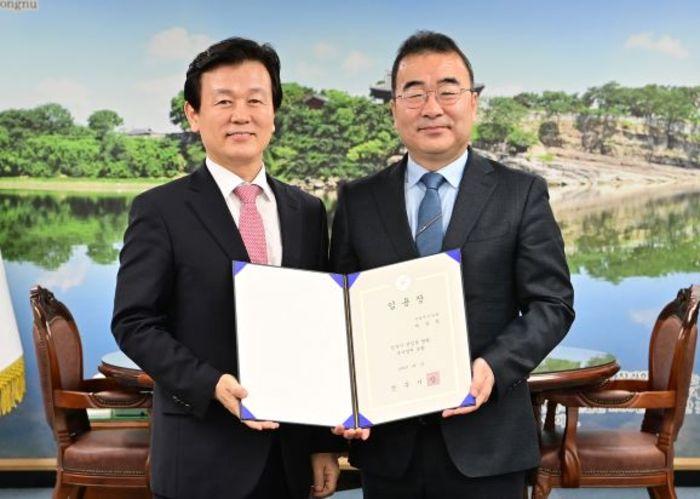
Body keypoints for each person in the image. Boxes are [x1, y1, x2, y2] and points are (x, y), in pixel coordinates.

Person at [330, 31, 575, 498]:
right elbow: (338, 316)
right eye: (414, 93)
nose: (431, 107)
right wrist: (344, 399)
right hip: (388, 446)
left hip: (488, 443)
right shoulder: (358, 201)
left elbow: (552, 304)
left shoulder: (520, 194)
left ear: (473, 102)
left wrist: (494, 367)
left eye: (447, 91)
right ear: (394, 108)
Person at [112, 37, 341, 499]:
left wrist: (322, 444)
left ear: (274, 114)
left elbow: (320, 331)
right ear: (193, 114)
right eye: (223, 101)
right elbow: (134, 323)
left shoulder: (307, 211)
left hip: (289, 459)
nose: (241, 115)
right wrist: (210, 384)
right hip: (200, 456)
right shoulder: (160, 210)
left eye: (255, 100)